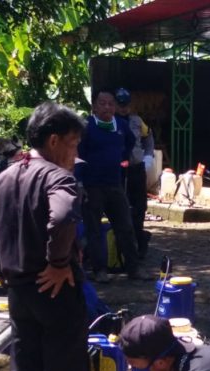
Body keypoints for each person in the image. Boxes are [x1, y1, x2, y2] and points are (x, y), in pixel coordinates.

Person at [0, 102, 96, 371]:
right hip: (55, 292)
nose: (75, 153)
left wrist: (5, 274)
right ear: (53, 141)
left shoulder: (4, 178)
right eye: (73, 143)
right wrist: (59, 262)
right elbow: (63, 216)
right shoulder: (56, 177)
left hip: (19, 294)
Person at [76, 88, 150, 283]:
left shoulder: (122, 125)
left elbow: (130, 143)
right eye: (102, 103)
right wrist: (79, 182)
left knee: (125, 227)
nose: (107, 107)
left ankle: (134, 268)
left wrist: (121, 159)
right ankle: (99, 270)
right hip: (92, 186)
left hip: (115, 184)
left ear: (115, 107)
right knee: (94, 230)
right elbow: (78, 155)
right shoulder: (87, 127)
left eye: (110, 104)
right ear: (94, 106)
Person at [115, 87, 155, 258]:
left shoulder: (137, 121)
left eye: (126, 104)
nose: (123, 108)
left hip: (136, 168)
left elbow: (148, 137)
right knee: (120, 208)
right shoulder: (110, 121)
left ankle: (140, 241)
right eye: (120, 104)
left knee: (139, 207)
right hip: (118, 170)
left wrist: (149, 156)